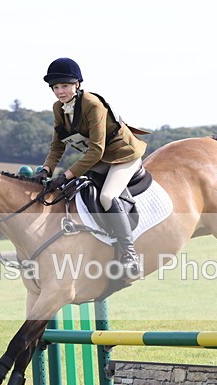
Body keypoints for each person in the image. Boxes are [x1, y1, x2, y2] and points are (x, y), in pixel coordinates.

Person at [33, 57, 147, 276]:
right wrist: (45, 170)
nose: (60, 91)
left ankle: (129, 253)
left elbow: (95, 150)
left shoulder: (93, 105)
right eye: (55, 87)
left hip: (124, 156)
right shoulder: (59, 108)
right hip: (101, 160)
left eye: (64, 86)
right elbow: (57, 146)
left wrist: (65, 174)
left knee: (107, 196)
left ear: (77, 84)